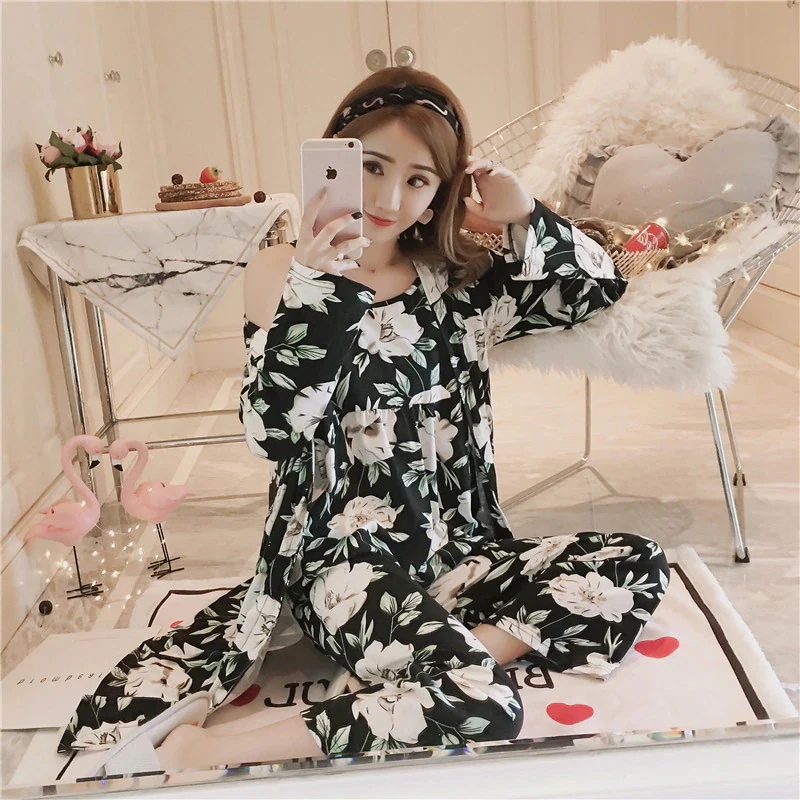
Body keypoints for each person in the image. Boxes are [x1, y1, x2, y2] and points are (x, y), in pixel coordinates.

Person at [59, 67, 670, 772]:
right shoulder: (279, 272)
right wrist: (320, 290)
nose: (388, 198)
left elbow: (596, 290)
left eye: (418, 179)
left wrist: (523, 214)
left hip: (455, 549)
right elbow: (271, 433)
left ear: (443, 191)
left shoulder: (460, 278)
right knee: (486, 703)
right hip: (340, 561)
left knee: (633, 561)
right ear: (335, 158)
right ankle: (214, 747)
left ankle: (432, 661)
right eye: (372, 167)